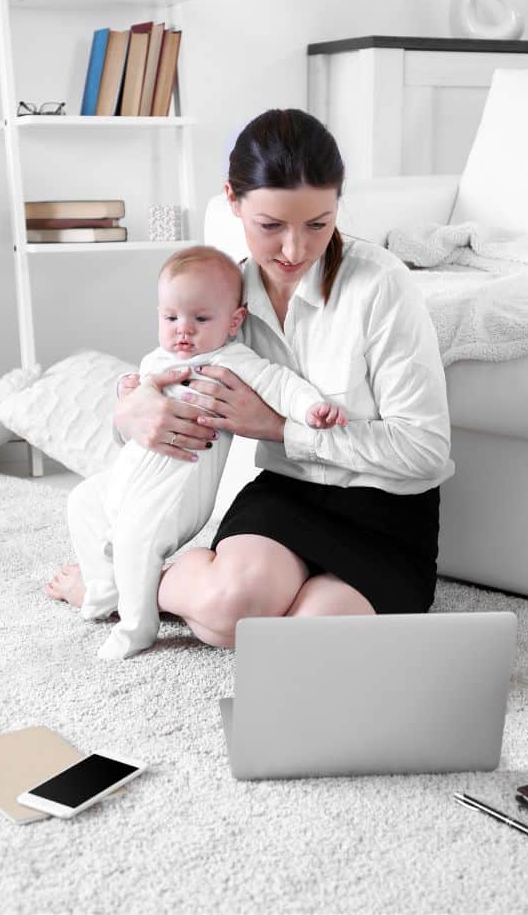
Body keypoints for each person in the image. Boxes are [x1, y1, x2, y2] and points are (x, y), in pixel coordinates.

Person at [47, 107, 453, 649]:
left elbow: (425, 449)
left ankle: (134, 582)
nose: (295, 251)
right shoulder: (221, 296)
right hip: (287, 495)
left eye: (318, 224)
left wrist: (279, 428)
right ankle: (132, 583)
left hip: (386, 510)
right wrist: (131, 407)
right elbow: (169, 368)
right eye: (270, 226)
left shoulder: (380, 285)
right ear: (233, 202)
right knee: (229, 609)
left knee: (309, 639)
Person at [54, 245, 347, 660]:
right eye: (170, 318)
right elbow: (135, 406)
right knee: (83, 501)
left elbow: (280, 383)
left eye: (200, 319)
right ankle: (103, 589)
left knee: (137, 540)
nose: (183, 331)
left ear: (234, 321)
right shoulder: (158, 357)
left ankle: (136, 626)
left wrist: (309, 407)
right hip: (129, 477)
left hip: (174, 489)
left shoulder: (231, 361)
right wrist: (128, 393)